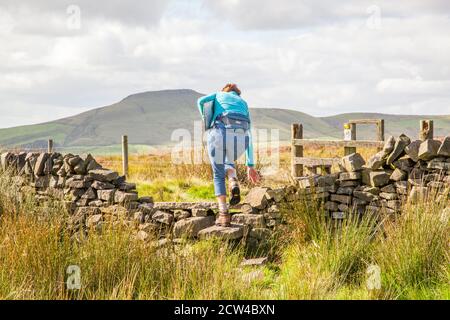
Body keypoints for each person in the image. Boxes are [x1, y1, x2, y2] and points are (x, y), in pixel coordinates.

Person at [197, 83, 260, 227]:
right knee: (228, 159)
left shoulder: (219, 95)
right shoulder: (243, 103)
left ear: (225, 91)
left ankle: (224, 215)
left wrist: (206, 119)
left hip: (220, 133)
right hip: (241, 140)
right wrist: (250, 165)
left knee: (218, 174)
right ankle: (232, 179)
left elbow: (200, 101)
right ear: (237, 94)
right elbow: (249, 134)